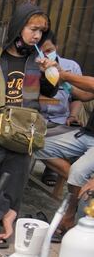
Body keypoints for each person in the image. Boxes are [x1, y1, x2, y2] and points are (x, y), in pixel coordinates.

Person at [0, 3, 58, 248]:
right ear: (18, 27)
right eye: (32, 28)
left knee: (15, 185)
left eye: (42, 31)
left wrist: (52, 71)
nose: (37, 35)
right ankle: (7, 215)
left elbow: (52, 89)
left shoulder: (39, 62)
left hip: (24, 136)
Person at [33, 68, 94, 241]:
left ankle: (69, 215)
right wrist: (60, 80)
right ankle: (80, 185)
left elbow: (92, 84)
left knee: (78, 171)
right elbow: (84, 95)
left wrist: (63, 74)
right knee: (36, 145)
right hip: (87, 134)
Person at [36, 31, 84, 185]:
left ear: (56, 47)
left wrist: (73, 116)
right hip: (36, 119)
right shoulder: (31, 67)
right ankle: (77, 180)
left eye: (49, 51)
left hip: (61, 122)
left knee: (79, 140)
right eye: (41, 52)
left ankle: (67, 175)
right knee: (31, 141)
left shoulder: (71, 67)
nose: (45, 55)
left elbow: (79, 97)